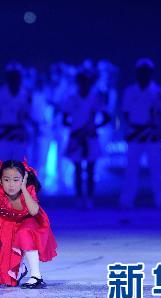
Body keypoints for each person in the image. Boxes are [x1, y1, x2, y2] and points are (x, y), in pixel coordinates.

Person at [0, 160, 57, 289]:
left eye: (16, 180)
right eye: (7, 180)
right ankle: (20, 269)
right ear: (0, 179)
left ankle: (36, 276)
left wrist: (24, 189)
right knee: (4, 279)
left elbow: (33, 211)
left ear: (23, 179)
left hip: (29, 221)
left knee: (24, 233)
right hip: (6, 222)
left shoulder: (28, 190)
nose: (11, 185)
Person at [119, 58, 161, 209]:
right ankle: (126, 200)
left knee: (156, 169)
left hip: (152, 134)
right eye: (142, 71)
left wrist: (157, 127)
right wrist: (134, 129)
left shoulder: (158, 92)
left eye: (147, 71)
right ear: (137, 72)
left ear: (151, 73)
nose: (144, 74)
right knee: (131, 169)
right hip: (135, 133)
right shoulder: (129, 91)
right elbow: (126, 113)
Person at [61, 70, 110, 208]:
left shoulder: (95, 98)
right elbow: (64, 119)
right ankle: (78, 198)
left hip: (90, 136)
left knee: (90, 169)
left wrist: (94, 126)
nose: (84, 84)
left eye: (87, 82)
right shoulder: (71, 99)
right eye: (82, 81)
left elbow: (107, 117)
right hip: (76, 136)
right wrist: (75, 128)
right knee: (77, 168)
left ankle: (89, 199)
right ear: (78, 83)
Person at [0, 62, 32, 161]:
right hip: (4, 133)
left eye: (16, 75)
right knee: (5, 165)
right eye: (12, 76)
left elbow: (28, 113)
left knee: (19, 165)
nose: (14, 78)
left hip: (20, 133)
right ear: (7, 77)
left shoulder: (26, 94)